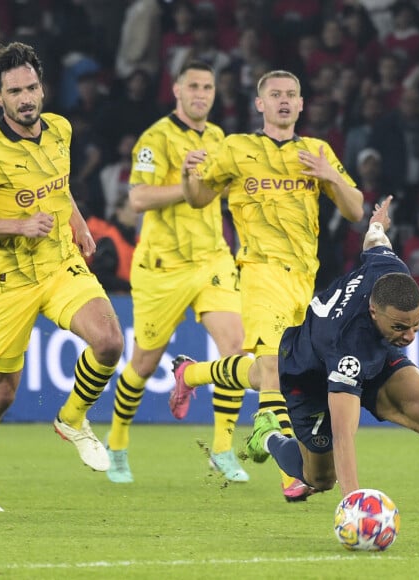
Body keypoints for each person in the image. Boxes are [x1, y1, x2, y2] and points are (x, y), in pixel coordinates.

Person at [0, 42, 124, 512]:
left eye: (31, 87)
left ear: (42, 88)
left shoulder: (61, 131)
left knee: (109, 341)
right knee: (0, 394)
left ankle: (72, 418)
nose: (25, 98)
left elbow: (59, 188)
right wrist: (16, 225)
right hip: (8, 280)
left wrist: (79, 224)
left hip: (59, 263)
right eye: (14, 91)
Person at [173, 69, 364, 501]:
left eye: (291, 95)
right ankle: (289, 472)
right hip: (259, 270)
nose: (283, 101)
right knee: (277, 367)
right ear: (259, 104)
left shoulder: (317, 151)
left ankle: (191, 373)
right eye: (274, 94)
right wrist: (189, 175)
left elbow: (355, 210)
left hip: (305, 280)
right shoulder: (237, 148)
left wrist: (329, 176)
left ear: (300, 104)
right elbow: (200, 197)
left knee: (267, 372)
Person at [241, 196, 419, 499]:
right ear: (374, 310)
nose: (410, 336)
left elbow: (375, 239)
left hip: (370, 350)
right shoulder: (346, 345)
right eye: (400, 327)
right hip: (309, 373)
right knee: (320, 479)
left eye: (416, 325)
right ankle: (268, 436)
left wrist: (378, 221)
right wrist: (354, 501)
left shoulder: (389, 267)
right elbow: (344, 435)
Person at [105, 60, 248, 485]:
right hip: (162, 267)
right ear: (177, 91)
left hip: (212, 259)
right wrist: (189, 187)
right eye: (194, 87)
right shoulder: (155, 138)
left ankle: (222, 449)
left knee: (236, 347)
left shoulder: (220, 138)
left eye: (208, 87)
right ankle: (117, 443)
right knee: (143, 363)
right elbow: (138, 198)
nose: (201, 94)